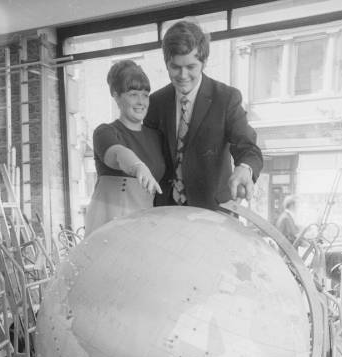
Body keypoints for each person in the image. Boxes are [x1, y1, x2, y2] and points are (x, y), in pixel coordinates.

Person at [144, 20, 263, 210]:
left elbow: (248, 147)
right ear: (166, 63)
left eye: (191, 67)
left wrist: (244, 168)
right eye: (175, 67)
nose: (183, 75)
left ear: (204, 62)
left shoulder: (226, 98)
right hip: (166, 212)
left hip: (214, 213)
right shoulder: (155, 103)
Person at [84, 60, 165, 236]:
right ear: (116, 95)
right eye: (133, 94)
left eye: (145, 95)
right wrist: (138, 166)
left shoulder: (156, 137)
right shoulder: (105, 132)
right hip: (108, 230)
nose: (141, 102)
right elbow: (118, 153)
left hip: (144, 229)